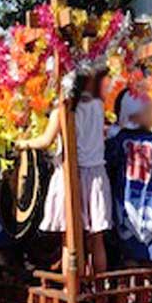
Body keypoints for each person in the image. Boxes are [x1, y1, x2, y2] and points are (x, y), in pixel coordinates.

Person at [18, 73, 112, 274]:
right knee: (97, 238)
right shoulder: (98, 106)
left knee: (69, 238)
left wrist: (23, 143)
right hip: (96, 174)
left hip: (70, 174)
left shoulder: (62, 110)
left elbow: (45, 141)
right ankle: (101, 289)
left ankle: (70, 289)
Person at [105, 91, 152, 263]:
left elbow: (108, 165)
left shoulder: (117, 140)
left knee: (126, 253)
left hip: (125, 200)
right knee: (151, 258)